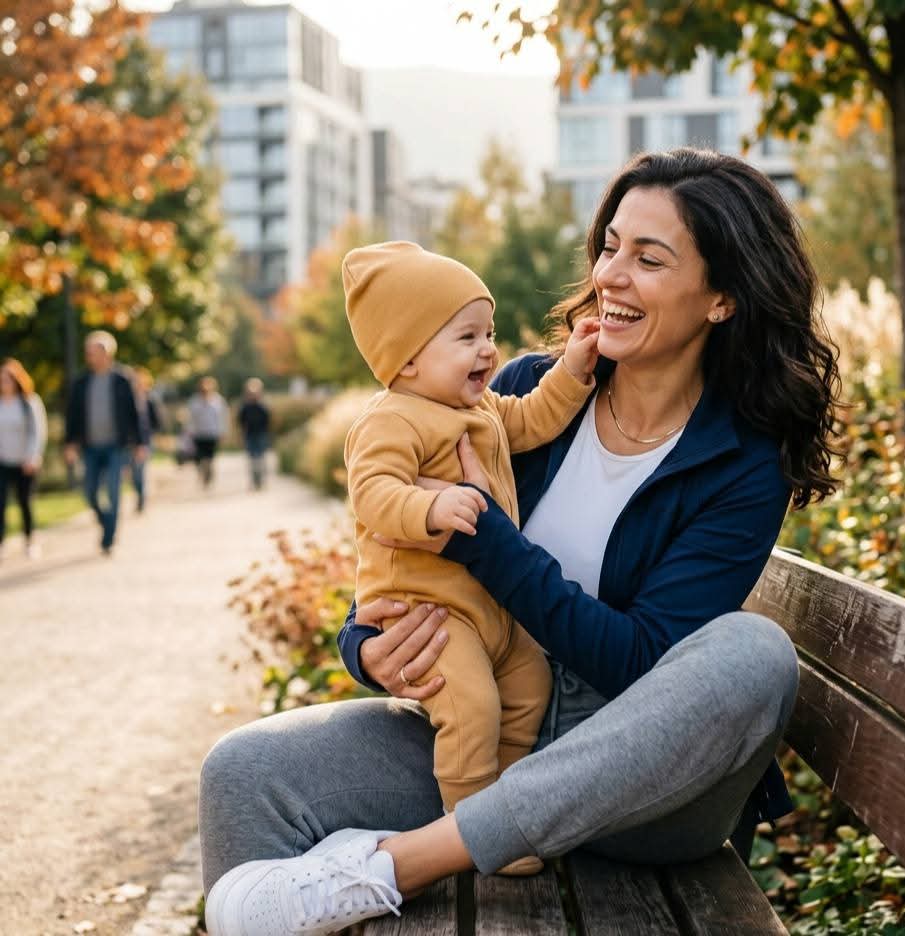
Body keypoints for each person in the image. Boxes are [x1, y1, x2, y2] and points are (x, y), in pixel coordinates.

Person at [199, 148, 842, 936]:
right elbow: (394, 545)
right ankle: (431, 850)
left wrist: (489, 541)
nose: (612, 275)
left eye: (649, 257)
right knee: (244, 773)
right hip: (493, 732)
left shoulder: (741, 459)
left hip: (638, 782)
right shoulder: (521, 391)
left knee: (756, 656)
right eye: (609, 245)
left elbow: (643, 662)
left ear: (721, 298)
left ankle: (395, 866)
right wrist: (364, 646)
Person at [340, 242, 599, 872]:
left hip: (493, 613)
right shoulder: (390, 422)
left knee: (528, 688)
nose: (488, 349)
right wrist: (428, 509)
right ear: (405, 360)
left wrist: (572, 367)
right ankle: (469, 831)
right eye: (466, 337)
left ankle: (508, 811)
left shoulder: (479, 407)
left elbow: (535, 418)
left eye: (487, 332)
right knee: (471, 708)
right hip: (432, 614)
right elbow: (371, 493)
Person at [64, 331, 145, 555]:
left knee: (113, 490)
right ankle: (106, 521)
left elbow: (134, 413)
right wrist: (70, 443)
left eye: (94, 351)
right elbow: (72, 415)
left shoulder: (122, 379)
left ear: (107, 353)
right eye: (88, 352)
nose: (90, 356)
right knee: (89, 491)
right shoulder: (81, 382)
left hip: (115, 446)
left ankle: (109, 537)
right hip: (90, 446)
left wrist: (140, 443)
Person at [0, 358, 47, 560]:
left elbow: (38, 432)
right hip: (2, 461)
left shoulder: (29, 402)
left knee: (24, 502)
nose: (4, 383)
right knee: (0, 504)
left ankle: (30, 540)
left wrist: (33, 456)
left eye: (8, 379)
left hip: (24, 462)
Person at [129, 367, 161, 513]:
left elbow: (157, 421)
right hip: (129, 442)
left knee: (139, 471)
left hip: (146, 441)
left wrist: (151, 434)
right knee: (132, 473)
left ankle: (141, 497)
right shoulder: (126, 399)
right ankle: (139, 492)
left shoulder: (150, 400)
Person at [188, 376, 227, 489]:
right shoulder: (194, 401)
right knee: (199, 458)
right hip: (199, 434)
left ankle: (208, 476)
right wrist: (190, 431)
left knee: (210, 458)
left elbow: (222, 418)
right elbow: (191, 418)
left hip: (212, 434)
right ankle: (202, 473)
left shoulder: (218, 401)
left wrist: (222, 432)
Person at [237, 378, 271, 490]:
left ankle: (261, 480)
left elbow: (269, 421)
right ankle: (254, 480)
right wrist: (241, 435)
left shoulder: (263, 407)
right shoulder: (245, 408)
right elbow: (241, 422)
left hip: (261, 434)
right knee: (252, 459)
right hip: (250, 435)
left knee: (261, 459)